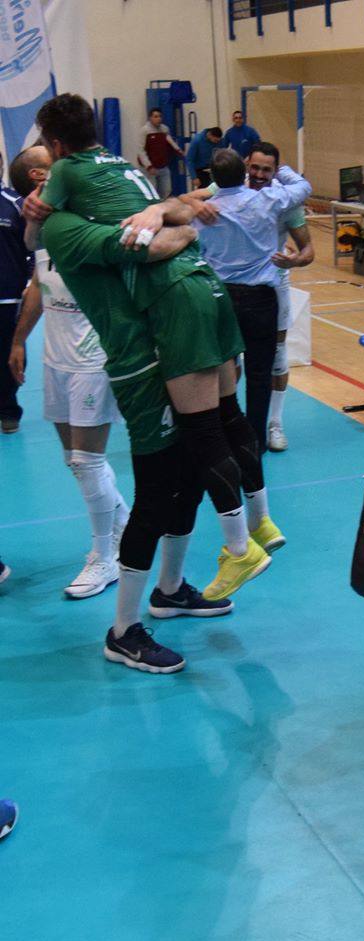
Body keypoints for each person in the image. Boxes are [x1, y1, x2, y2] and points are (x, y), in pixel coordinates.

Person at [31, 94, 283, 601]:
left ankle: (229, 551)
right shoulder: (120, 170)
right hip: (210, 290)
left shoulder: (66, 209)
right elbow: (184, 209)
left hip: (160, 325)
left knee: (177, 459)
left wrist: (172, 227)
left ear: (57, 150)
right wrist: (175, 218)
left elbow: (151, 242)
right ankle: (250, 529)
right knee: (221, 426)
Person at [8, 146, 131, 599]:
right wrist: (19, 340)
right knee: (74, 461)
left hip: (93, 358)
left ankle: (105, 558)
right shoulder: (44, 229)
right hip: (55, 357)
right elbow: (38, 284)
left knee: (86, 460)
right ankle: (123, 524)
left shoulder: (95, 217)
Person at [182, 141, 315, 452]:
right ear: (245, 166)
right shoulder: (264, 197)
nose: (259, 174)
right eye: (254, 168)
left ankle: (273, 424)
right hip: (250, 294)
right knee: (233, 365)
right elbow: (189, 198)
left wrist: (295, 261)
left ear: (275, 170)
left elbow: (308, 251)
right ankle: (243, 433)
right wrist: (193, 202)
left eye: (267, 169)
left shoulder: (280, 199)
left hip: (271, 284)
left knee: (276, 357)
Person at [0, 149, 32, 436]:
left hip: (8, 298)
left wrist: (30, 280)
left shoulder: (16, 204)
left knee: (9, 355)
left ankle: (8, 409)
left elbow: (31, 246)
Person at [138, 108, 185, 200]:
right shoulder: (144, 130)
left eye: (160, 116)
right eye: (155, 117)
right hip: (149, 168)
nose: (158, 119)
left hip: (163, 166)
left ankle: (163, 208)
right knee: (151, 193)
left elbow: (170, 142)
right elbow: (141, 151)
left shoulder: (164, 129)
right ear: (150, 118)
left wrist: (179, 150)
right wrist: (149, 166)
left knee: (166, 190)